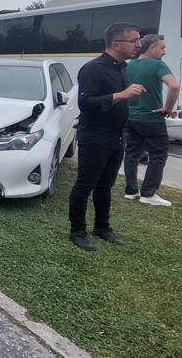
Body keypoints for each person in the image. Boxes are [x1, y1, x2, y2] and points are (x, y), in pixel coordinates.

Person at [68, 22, 146, 252]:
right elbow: (85, 102)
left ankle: (102, 227)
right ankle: (78, 231)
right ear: (116, 43)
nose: (138, 45)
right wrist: (121, 95)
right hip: (95, 138)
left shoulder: (121, 68)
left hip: (116, 138)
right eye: (134, 40)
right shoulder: (94, 68)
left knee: (106, 185)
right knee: (85, 185)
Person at [123, 34, 180, 206]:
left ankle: (131, 191)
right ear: (151, 48)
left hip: (130, 117)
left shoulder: (128, 65)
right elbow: (174, 85)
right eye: (161, 48)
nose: (164, 52)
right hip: (151, 119)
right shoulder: (157, 65)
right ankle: (148, 193)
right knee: (158, 154)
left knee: (132, 153)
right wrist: (168, 108)